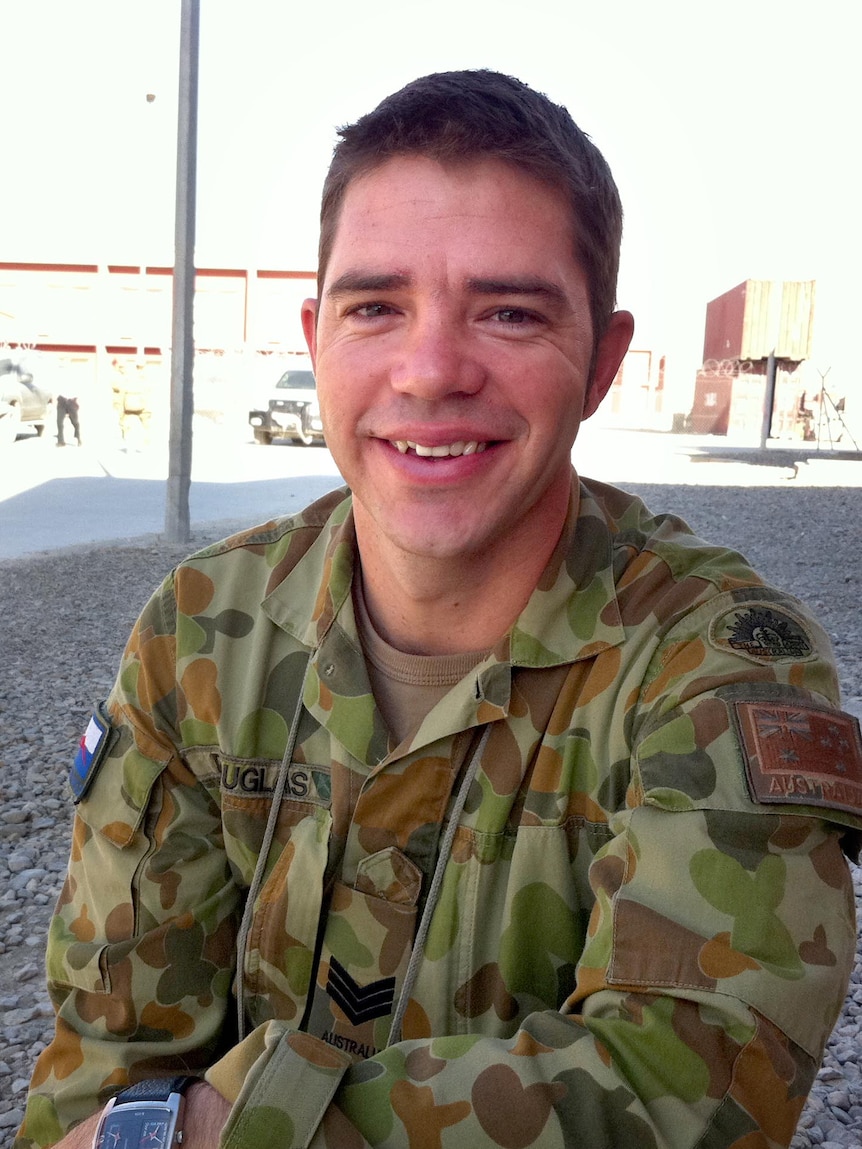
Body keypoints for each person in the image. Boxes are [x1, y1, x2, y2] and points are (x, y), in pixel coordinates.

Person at [18, 70, 862, 1149]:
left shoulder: (712, 664)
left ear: (600, 363)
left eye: (508, 312)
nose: (429, 372)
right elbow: (105, 1057)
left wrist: (214, 1132)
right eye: (376, 306)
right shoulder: (200, 628)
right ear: (316, 337)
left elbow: (691, 1084)